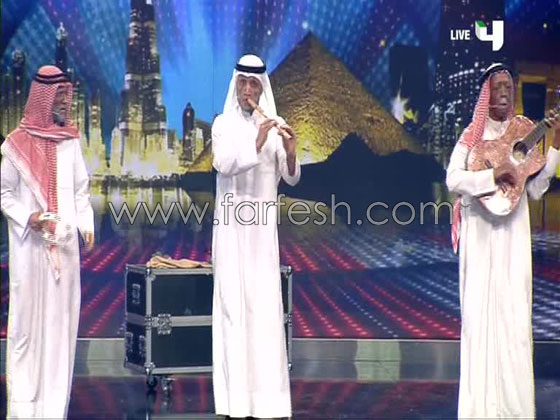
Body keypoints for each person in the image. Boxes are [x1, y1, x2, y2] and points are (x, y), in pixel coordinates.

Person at [446, 62, 560, 418]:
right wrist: (493, 175)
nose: (504, 94)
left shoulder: (524, 132)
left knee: (514, 319)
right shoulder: (471, 137)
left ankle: (514, 410)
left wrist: (555, 147)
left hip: (513, 237)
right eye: (497, 88)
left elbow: (536, 190)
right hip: (480, 237)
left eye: (509, 88)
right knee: (479, 319)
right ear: (486, 94)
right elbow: (453, 179)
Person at [0, 65, 95, 418]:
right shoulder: (16, 144)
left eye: (67, 95)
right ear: (43, 98)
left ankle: (55, 408)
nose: (65, 102)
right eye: (59, 96)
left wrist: (86, 225)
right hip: (30, 250)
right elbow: (4, 194)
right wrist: (30, 217)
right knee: (27, 328)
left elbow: (81, 192)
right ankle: (23, 408)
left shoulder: (71, 141)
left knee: (61, 327)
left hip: (65, 251)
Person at [211, 54, 300, 419]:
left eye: (254, 84)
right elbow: (223, 163)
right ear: (236, 85)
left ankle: (268, 402)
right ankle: (235, 402)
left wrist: (290, 153)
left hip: (262, 236)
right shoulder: (222, 124)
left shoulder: (275, 127)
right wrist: (257, 141)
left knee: (264, 313)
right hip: (231, 233)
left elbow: (290, 177)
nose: (248, 90)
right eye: (243, 83)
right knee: (233, 312)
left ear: (262, 89)